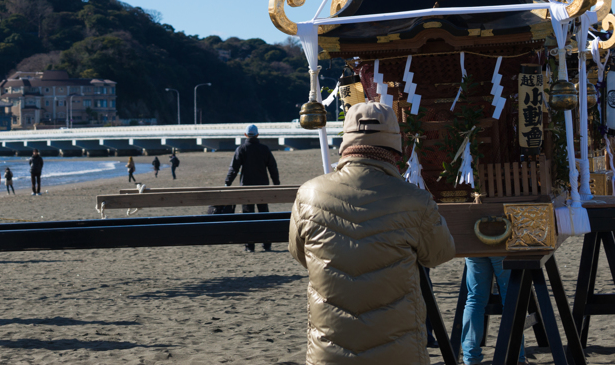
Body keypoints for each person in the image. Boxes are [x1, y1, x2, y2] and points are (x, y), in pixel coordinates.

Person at [289, 102, 455, 365]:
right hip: (398, 350)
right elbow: (439, 254)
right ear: (395, 148)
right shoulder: (415, 199)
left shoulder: (309, 193)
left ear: (346, 143)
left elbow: (300, 254)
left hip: (330, 349)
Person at [225, 124, 280, 252]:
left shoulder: (241, 149)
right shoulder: (264, 149)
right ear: (257, 135)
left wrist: (227, 182)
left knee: (248, 216)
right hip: (262, 187)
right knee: (264, 215)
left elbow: (234, 168)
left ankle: (249, 245)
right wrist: (276, 183)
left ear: (245, 135)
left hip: (246, 188)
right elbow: (272, 167)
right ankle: (267, 244)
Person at [461, 257, 525, 364]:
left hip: (475, 249)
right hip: (502, 250)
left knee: (475, 300)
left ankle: (471, 357)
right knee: (510, 297)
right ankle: (517, 356)